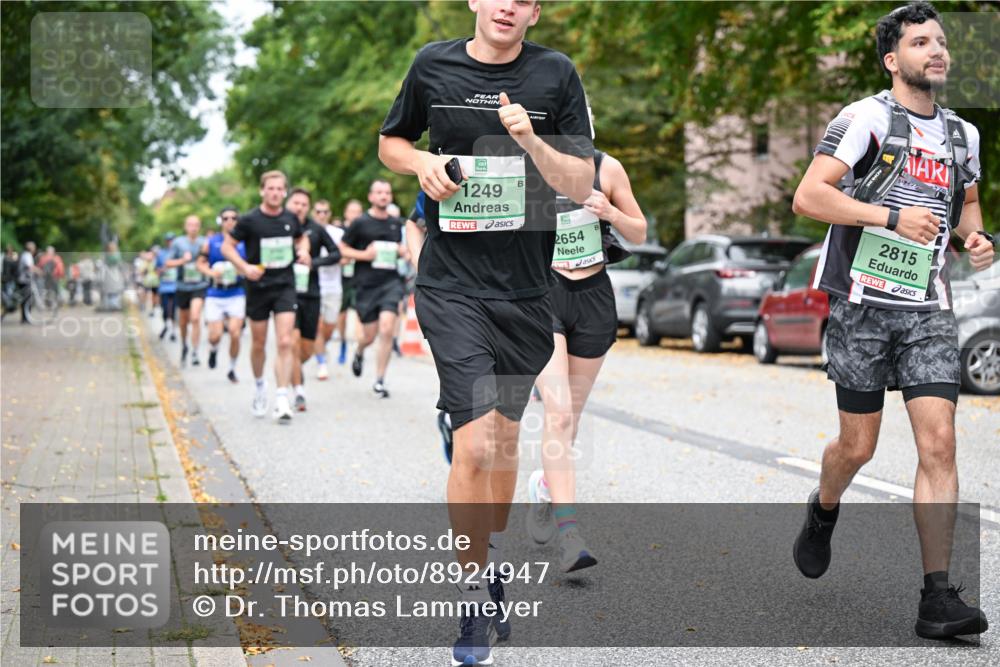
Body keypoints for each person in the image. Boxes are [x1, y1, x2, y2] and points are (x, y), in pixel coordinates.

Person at [379, 0, 595, 662]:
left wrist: (530, 139)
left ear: (535, 10)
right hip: (451, 285)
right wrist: (420, 166)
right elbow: (392, 141)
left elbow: (582, 179)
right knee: (474, 449)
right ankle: (472, 595)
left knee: (500, 447)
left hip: (526, 293)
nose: (507, 5)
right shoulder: (432, 65)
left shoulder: (556, 76)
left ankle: (488, 554)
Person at [790, 2, 992, 640]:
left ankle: (938, 597)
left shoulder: (964, 135)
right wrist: (888, 217)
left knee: (940, 444)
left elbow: (968, 206)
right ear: (892, 59)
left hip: (929, 306)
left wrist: (978, 237)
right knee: (858, 446)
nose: (936, 51)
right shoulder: (865, 118)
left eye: (941, 41)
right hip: (864, 304)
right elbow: (809, 195)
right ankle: (824, 509)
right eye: (920, 42)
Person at [525, 147, 646, 573]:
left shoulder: (606, 167)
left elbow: (639, 232)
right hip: (543, 294)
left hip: (593, 297)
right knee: (557, 416)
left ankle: (544, 485)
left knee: (570, 419)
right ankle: (570, 535)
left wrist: (610, 211)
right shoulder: (528, 164)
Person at [223, 170, 310, 423]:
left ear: (284, 192)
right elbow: (227, 246)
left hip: (285, 285)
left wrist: (303, 251)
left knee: (285, 341)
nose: (275, 193)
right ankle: (260, 385)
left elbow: (301, 238)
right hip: (258, 288)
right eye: (270, 188)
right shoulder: (250, 220)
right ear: (262, 191)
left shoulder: (291, 217)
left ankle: (282, 396)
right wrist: (244, 267)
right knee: (259, 343)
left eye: (279, 189)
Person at [337, 179, 409, 399]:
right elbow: (342, 248)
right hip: (366, 284)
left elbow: (404, 250)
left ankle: (379, 380)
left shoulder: (397, 224)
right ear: (371, 197)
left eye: (387, 192)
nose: (384, 196)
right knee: (369, 335)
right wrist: (364, 255)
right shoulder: (360, 223)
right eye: (379, 192)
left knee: (387, 328)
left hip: (391, 282)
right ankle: (359, 351)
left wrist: (402, 251)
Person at [286, 188, 341, 410]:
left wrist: (313, 263)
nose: (299, 207)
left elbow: (336, 254)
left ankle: (290, 368)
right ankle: (298, 391)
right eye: (295, 203)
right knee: (291, 342)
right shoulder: (280, 226)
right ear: (289, 204)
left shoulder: (316, 229)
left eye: (303, 204)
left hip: (311, 292)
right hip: (286, 292)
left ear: (307, 207)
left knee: (306, 349)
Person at [199, 207, 246, 384]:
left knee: (235, 333)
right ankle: (213, 349)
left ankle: (232, 368)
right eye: (226, 218)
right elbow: (200, 263)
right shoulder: (211, 242)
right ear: (221, 221)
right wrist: (211, 273)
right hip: (215, 294)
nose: (230, 221)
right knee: (215, 335)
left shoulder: (243, 242)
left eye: (234, 218)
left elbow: (251, 264)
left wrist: (242, 270)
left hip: (236, 293)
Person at [166, 215, 209, 366]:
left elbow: (209, 261)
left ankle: (195, 352)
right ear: (185, 227)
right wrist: (182, 261)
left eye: (196, 225)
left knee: (195, 317)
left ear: (199, 227)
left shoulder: (204, 242)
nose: (193, 228)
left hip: (199, 285)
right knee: (183, 321)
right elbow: (168, 263)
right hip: (182, 286)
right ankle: (184, 344)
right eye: (190, 225)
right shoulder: (178, 243)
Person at [313, 199, 345, 381]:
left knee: (329, 327)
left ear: (329, 214)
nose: (322, 215)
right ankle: (321, 362)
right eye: (318, 212)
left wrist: (334, 259)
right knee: (316, 326)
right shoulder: (307, 232)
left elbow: (346, 256)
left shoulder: (338, 233)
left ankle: (320, 348)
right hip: (315, 286)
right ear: (313, 213)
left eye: (325, 212)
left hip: (334, 286)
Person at [336, 199, 364, 365]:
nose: (354, 215)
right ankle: (343, 344)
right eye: (351, 211)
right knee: (342, 315)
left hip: (359, 277)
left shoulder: (365, 230)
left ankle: (358, 344)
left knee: (361, 313)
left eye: (358, 212)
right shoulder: (340, 232)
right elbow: (336, 255)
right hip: (342, 279)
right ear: (346, 213)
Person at [157, 234, 178, 341]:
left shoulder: (179, 253)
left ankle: (173, 331)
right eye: (169, 240)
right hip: (165, 286)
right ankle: (166, 325)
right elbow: (157, 270)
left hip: (176, 286)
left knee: (174, 309)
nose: (171, 242)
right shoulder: (161, 254)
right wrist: (162, 270)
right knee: (165, 309)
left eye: (172, 240)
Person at [16, 241, 38, 323]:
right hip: (25, 280)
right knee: (27, 299)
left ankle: (25, 318)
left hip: (24, 280)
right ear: (31, 248)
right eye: (34, 247)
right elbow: (30, 266)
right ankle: (25, 318)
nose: (35, 249)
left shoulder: (25, 255)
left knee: (26, 299)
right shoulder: (27, 255)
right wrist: (39, 271)